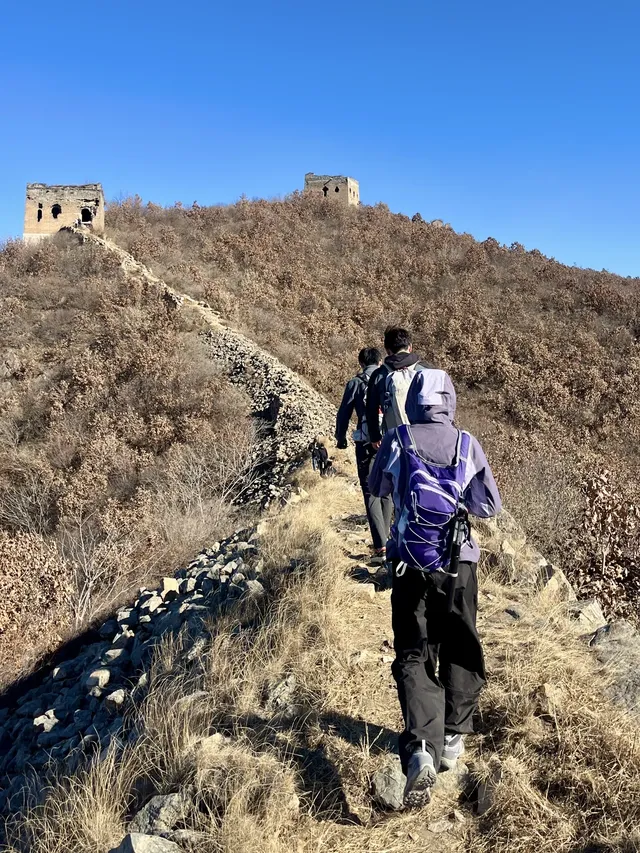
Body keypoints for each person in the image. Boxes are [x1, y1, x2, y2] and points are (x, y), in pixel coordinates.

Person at [369, 368, 501, 808]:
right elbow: (488, 506)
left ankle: (420, 751)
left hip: (410, 564)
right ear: (450, 401)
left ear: (414, 402)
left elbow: (378, 487)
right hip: (458, 565)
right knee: (461, 645)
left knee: (413, 651)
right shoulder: (467, 444)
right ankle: (452, 739)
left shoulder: (399, 439)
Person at [335, 347, 393, 557]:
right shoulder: (388, 379)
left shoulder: (356, 383)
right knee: (388, 491)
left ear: (361, 363)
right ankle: (387, 541)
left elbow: (344, 414)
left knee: (371, 491)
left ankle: (380, 545)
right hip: (390, 441)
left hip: (367, 442)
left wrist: (340, 438)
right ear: (379, 362)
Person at [365, 326, 433, 450]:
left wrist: (375, 437)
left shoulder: (379, 375)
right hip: (426, 439)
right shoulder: (426, 370)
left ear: (387, 350)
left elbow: (371, 409)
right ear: (410, 347)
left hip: (396, 439)